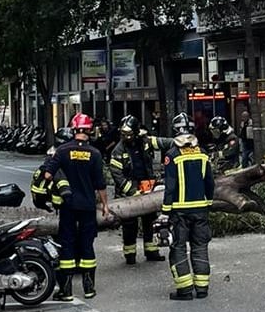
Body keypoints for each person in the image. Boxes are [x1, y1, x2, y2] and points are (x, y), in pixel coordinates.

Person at [41, 112, 110, 301]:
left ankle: (66, 290)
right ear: (89, 130)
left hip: (68, 206)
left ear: (73, 129)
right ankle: (89, 288)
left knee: (67, 245)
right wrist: (105, 205)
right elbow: (100, 184)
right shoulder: (95, 154)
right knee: (87, 245)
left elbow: (47, 175)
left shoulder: (62, 151)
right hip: (88, 206)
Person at [158, 113, 215, 300]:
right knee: (200, 247)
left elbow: (170, 186)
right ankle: (202, 289)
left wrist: (165, 211)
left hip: (180, 212)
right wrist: (209, 202)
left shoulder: (172, 155)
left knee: (179, 248)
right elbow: (210, 182)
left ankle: (185, 290)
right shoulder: (202, 153)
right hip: (200, 210)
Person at [110, 115, 171, 265]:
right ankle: (130, 255)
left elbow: (166, 143)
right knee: (129, 225)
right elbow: (117, 174)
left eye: (129, 134)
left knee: (149, 221)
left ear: (136, 132)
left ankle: (151, 251)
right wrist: (132, 192)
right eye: (123, 134)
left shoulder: (145, 141)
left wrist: (183, 142)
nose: (126, 137)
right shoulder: (118, 150)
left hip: (147, 187)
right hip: (129, 192)